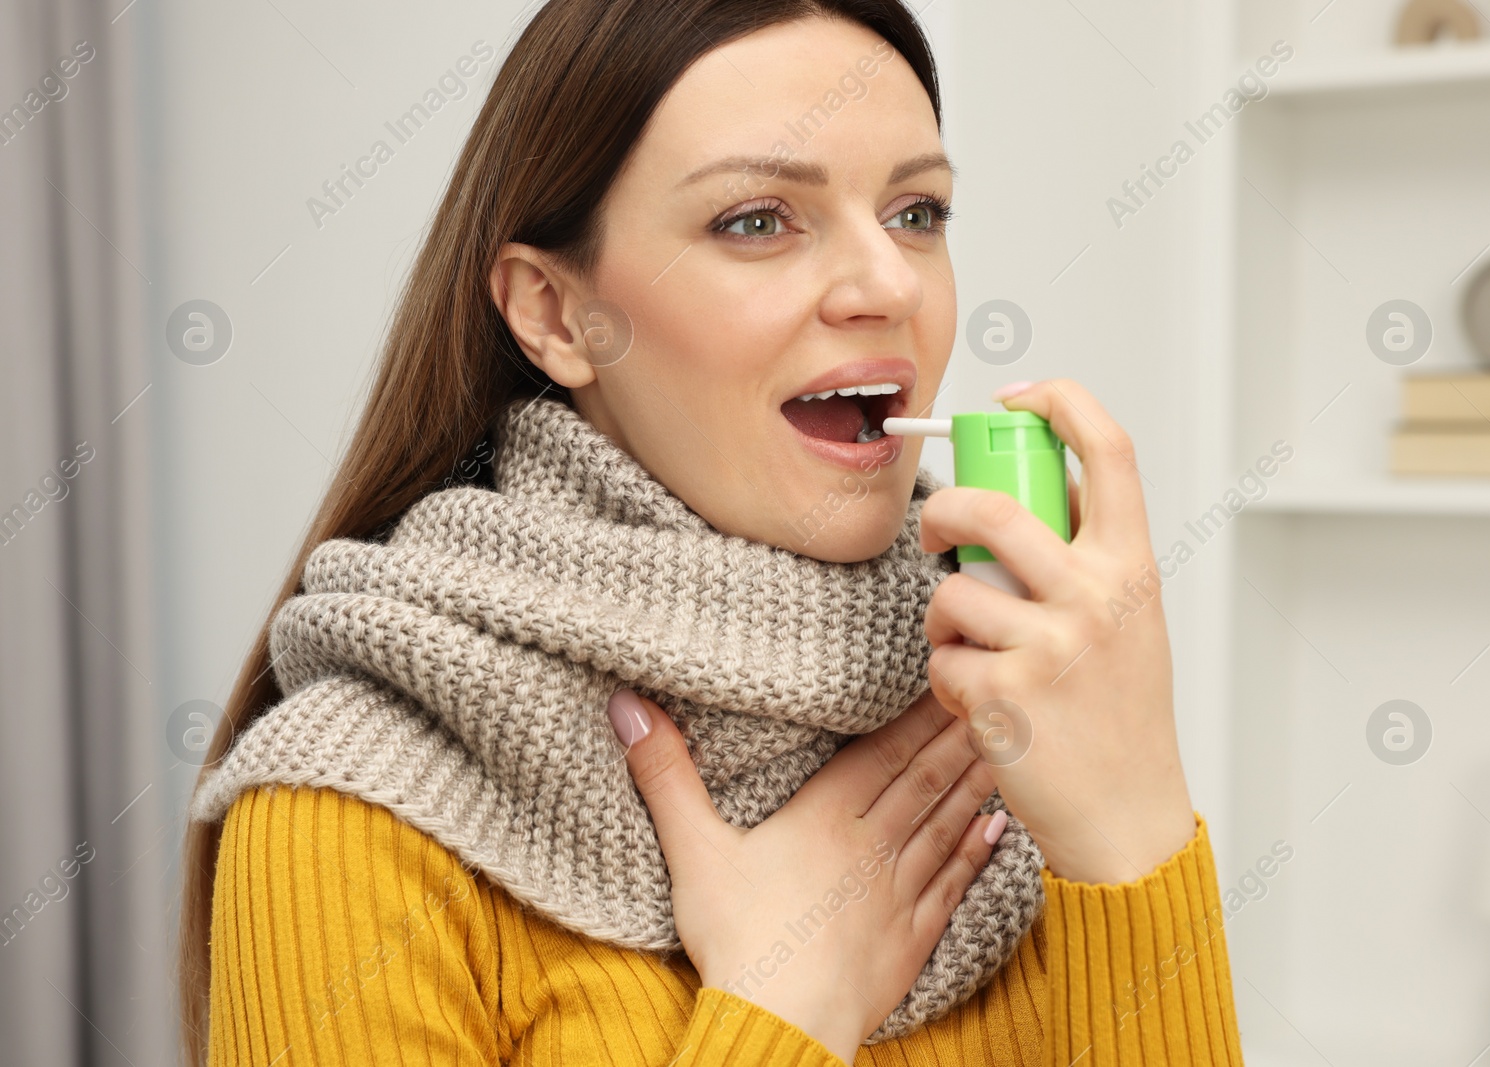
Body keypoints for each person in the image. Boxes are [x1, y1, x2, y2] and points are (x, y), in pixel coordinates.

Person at [180, 1, 1244, 1063]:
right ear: (557, 315)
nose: (887, 285)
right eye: (756, 220)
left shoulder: (1022, 725)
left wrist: (1129, 822)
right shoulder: (346, 815)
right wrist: (784, 1015)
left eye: (915, 212)